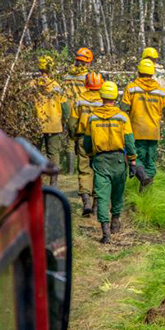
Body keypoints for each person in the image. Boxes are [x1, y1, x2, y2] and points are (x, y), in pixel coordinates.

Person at [83, 81, 138, 244]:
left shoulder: (92, 117)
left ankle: (105, 232)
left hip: (100, 160)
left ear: (101, 96)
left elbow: (87, 142)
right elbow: (129, 141)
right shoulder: (122, 117)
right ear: (115, 97)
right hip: (119, 160)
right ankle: (116, 220)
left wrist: (91, 155)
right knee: (117, 192)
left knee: (101, 195)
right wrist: (133, 160)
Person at [121, 58, 165, 188]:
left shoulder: (131, 88)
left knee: (135, 158)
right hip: (153, 132)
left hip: (135, 131)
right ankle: (146, 192)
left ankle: (143, 178)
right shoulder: (161, 91)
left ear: (138, 72)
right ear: (152, 73)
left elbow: (123, 110)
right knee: (150, 162)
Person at [68, 72, 104, 216]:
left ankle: (86, 202)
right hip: (100, 139)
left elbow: (71, 123)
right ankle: (96, 205)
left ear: (86, 84)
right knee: (99, 170)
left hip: (83, 138)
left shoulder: (79, 100)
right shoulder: (104, 101)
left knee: (84, 169)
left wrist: (74, 137)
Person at [30, 55, 67, 186]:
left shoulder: (32, 85)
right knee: (53, 153)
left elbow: (27, 104)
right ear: (51, 68)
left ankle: (35, 181)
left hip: (36, 123)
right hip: (54, 123)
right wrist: (64, 120)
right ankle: (54, 183)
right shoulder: (57, 86)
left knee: (35, 152)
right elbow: (64, 105)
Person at [62, 47, 97, 175]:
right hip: (84, 110)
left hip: (69, 111)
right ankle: (86, 169)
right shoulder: (88, 76)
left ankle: (70, 172)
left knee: (70, 141)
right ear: (87, 62)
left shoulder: (66, 75)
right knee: (85, 139)